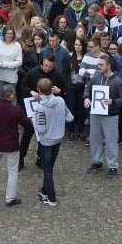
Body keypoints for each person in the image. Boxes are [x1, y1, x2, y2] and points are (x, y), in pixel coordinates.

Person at [83, 54, 122, 177]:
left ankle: (113, 166)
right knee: (95, 140)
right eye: (99, 64)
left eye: (101, 64)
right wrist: (86, 98)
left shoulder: (117, 81)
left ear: (108, 66)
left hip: (110, 115)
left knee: (111, 142)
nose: (99, 66)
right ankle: (97, 161)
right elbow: (88, 89)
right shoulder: (96, 77)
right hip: (95, 114)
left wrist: (113, 102)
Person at [32, 79, 73, 207]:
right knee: (49, 167)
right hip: (58, 138)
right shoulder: (60, 101)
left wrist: (33, 121)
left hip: (46, 141)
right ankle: (44, 190)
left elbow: (41, 129)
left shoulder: (40, 108)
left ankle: (51, 197)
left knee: (47, 169)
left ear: (39, 91)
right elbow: (70, 117)